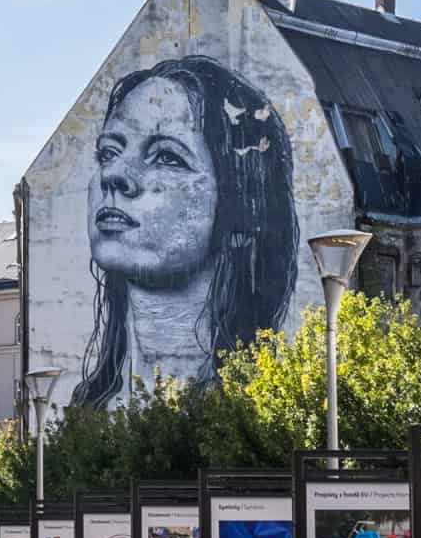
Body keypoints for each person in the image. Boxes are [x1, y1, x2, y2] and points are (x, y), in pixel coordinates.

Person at [71, 56, 299, 408]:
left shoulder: (264, 408)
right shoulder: (83, 414)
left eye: (166, 157)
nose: (113, 174)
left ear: (242, 215)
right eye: (108, 152)